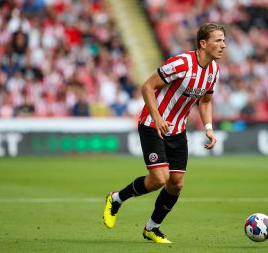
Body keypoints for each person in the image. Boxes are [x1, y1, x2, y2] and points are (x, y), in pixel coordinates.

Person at [103, 22, 226, 243]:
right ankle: (116, 199)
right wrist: (158, 118)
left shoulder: (214, 71)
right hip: (153, 124)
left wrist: (208, 128)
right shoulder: (181, 63)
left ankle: (152, 228)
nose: (223, 45)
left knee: (176, 183)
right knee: (160, 178)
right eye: (218, 40)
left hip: (178, 131)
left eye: (224, 40)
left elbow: (206, 101)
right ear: (203, 43)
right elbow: (147, 87)